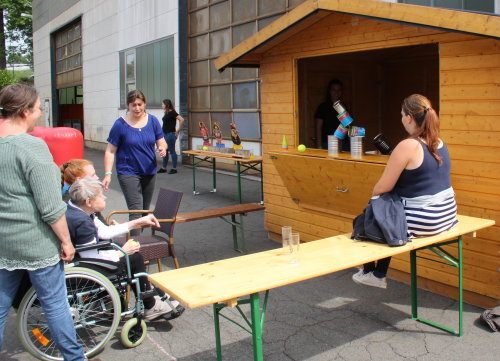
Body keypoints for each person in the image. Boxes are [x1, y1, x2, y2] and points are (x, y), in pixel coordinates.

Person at [0, 83, 88, 361]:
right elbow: (50, 207)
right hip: (36, 242)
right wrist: (66, 240)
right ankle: (74, 358)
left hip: (4, 242)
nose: (40, 114)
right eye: (39, 109)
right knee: (54, 304)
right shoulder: (32, 147)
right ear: (25, 111)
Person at [352, 94, 458, 289]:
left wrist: (374, 197)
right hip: (446, 215)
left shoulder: (407, 146)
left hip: (425, 221)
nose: (401, 119)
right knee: (389, 211)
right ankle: (376, 273)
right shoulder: (440, 143)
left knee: (368, 215)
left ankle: (374, 273)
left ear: (409, 117)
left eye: (401, 115)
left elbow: (383, 187)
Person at [66, 177, 183, 320]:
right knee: (134, 258)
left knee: (129, 254)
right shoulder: (82, 222)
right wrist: (122, 253)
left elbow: (104, 232)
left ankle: (148, 298)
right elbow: (90, 257)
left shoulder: (76, 208)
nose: (105, 197)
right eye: (101, 195)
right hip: (85, 268)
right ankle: (150, 306)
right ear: (89, 202)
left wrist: (138, 221)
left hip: (78, 260)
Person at [103, 90, 167, 236]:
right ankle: (134, 252)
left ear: (144, 104)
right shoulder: (120, 125)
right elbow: (110, 151)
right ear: (128, 106)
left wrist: (162, 148)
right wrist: (107, 173)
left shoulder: (153, 121)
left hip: (149, 172)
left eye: (139, 104)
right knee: (136, 212)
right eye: (133, 105)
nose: (137, 108)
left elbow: (161, 141)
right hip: (128, 172)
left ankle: (136, 245)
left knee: (144, 212)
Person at [315, 78, 344, 149]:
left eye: (339, 90)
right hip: (327, 143)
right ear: (330, 91)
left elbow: (346, 125)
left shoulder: (342, 106)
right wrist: (319, 146)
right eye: (334, 90)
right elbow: (318, 127)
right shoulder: (323, 107)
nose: (336, 92)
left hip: (342, 143)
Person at [158, 99, 184, 174]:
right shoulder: (166, 113)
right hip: (165, 134)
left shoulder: (172, 112)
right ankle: (164, 168)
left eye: (162, 104)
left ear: (166, 104)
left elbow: (182, 120)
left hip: (170, 134)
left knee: (172, 151)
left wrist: (178, 131)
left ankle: (174, 168)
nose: (161, 105)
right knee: (165, 151)